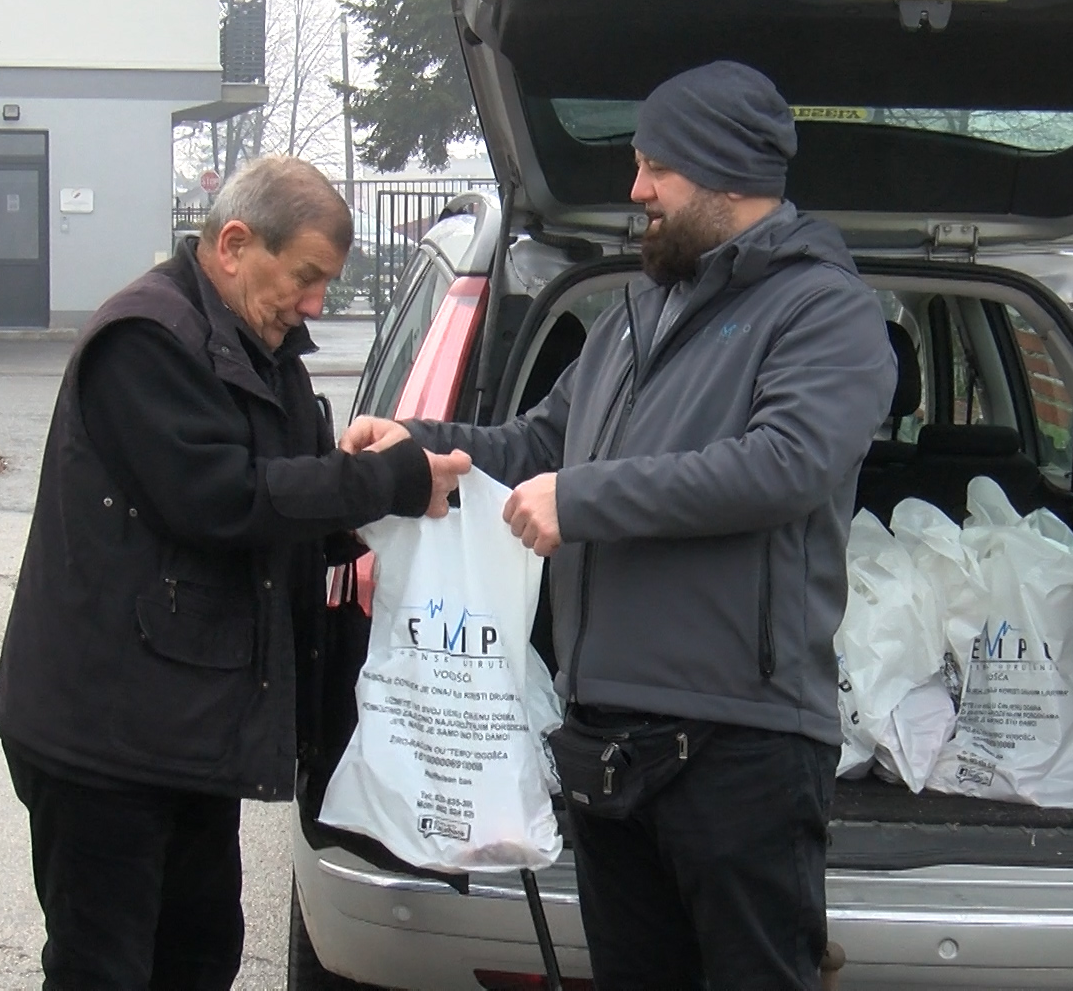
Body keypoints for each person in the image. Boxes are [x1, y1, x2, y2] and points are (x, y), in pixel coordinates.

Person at [342, 61, 896, 989]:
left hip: (740, 743)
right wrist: (419, 442)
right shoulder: (636, 317)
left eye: (656, 167)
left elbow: (786, 463)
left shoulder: (823, 308)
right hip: (606, 740)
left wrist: (581, 501)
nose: (636, 189)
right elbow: (538, 441)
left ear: (726, 172)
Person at [0, 155, 471, 991]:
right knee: (104, 968)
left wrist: (356, 494)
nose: (315, 303)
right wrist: (380, 484)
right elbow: (219, 500)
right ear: (235, 244)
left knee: (198, 956)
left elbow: (283, 507)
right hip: (101, 739)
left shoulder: (260, 346)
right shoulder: (143, 340)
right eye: (307, 277)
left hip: (184, 728)